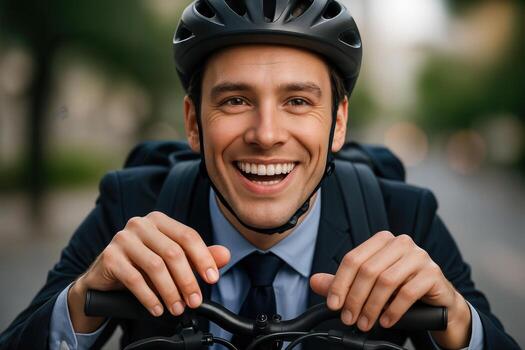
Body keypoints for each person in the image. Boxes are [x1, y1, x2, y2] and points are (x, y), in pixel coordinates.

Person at [0, 0, 520, 349]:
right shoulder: (130, 204)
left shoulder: (404, 215)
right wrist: (80, 302)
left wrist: (456, 320)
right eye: (234, 100)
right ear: (193, 123)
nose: (267, 133)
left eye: (297, 101)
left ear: (337, 122)